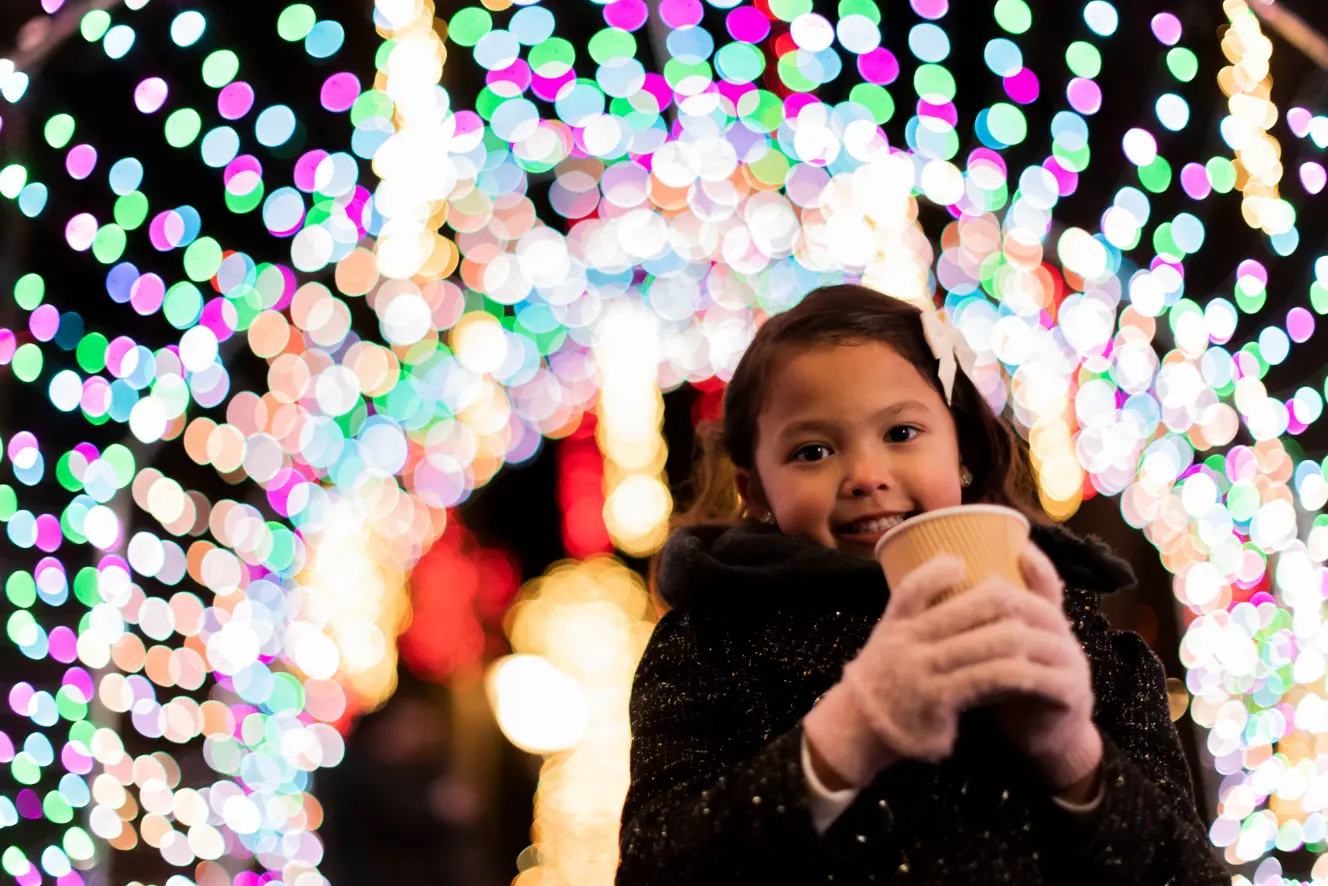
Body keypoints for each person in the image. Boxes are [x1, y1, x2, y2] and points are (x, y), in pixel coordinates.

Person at [616, 285, 1227, 884]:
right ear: (757, 493)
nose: (865, 475)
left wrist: (1070, 752)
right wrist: (852, 728)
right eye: (812, 451)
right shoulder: (710, 646)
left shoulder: (1075, 641)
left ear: (961, 448)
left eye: (901, 434)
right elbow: (657, 867)